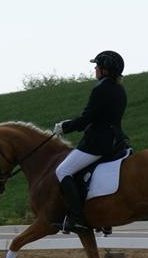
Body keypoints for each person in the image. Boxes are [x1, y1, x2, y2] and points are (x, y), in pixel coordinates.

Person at [51, 50, 130, 234]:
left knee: (63, 170)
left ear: (105, 70)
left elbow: (88, 118)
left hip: (97, 142)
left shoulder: (101, 88)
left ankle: (77, 217)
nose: (95, 69)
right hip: (116, 141)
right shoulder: (119, 89)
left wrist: (65, 126)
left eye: (97, 66)